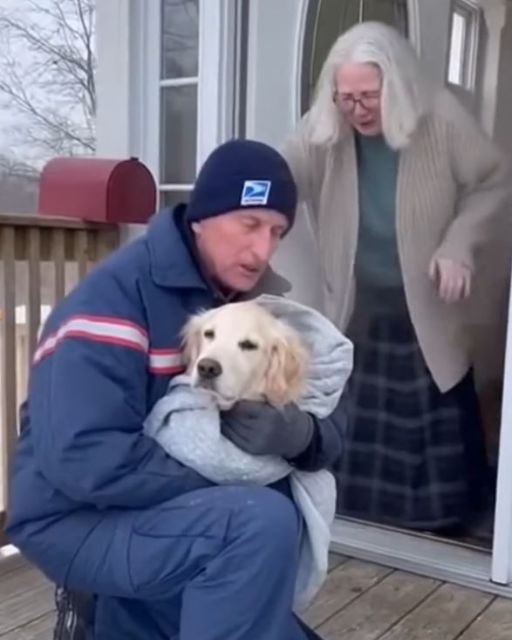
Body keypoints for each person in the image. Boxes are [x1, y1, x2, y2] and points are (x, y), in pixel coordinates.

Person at [6, 139, 344, 640]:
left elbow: (322, 398)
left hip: (161, 510)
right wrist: (227, 477)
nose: (263, 250)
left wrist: (305, 437)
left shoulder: (253, 303)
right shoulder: (113, 302)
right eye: (249, 224)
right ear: (203, 218)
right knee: (259, 519)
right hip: (74, 518)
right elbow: (84, 457)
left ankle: (124, 618)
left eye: (277, 232)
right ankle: (97, 599)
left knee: (264, 512)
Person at [281, 21, 511, 535]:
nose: (357, 110)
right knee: (358, 422)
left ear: (397, 87)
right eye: (346, 98)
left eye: (369, 96)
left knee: (430, 421)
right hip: (360, 304)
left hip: (427, 306)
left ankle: (437, 525)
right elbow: (282, 171)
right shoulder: (328, 125)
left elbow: (494, 182)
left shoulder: (441, 118)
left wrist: (459, 243)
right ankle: (361, 524)